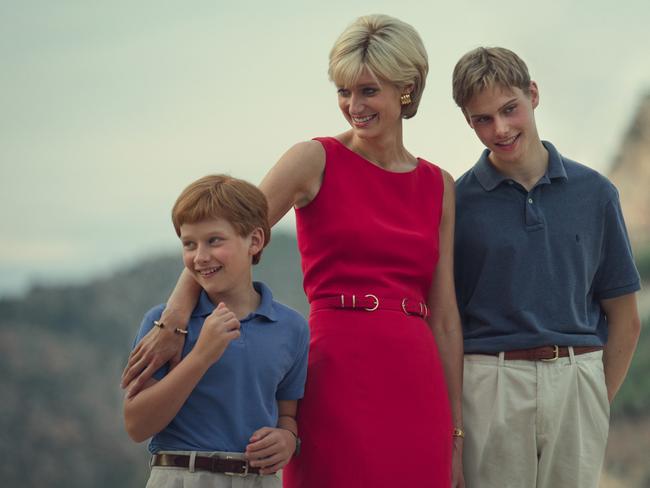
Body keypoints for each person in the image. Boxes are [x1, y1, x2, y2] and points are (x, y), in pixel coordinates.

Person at [123, 14, 464, 487]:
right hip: (338, 370)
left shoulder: (439, 186)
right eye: (344, 91)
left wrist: (455, 433)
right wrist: (175, 319)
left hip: (417, 379)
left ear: (406, 88)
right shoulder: (314, 159)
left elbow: (445, 318)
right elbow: (228, 236)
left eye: (368, 90)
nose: (353, 105)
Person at [452, 47, 641, 488]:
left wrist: (593, 397)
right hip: (489, 384)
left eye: (509, 109)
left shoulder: (596, 193)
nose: (500, 129)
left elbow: (624, 319)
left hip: (578, 379)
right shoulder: (455, 203)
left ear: (533, 94)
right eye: (482, 119)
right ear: (468, 121)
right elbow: (447, 319)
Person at [123, 174, 309, 488]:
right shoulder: (164, 327)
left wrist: (287, 439)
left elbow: (287, 414)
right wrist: (201, 357)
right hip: (181, 477)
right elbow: (137, 425)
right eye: (189, 244)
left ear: (255, 241)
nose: (200, 257)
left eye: (214, 241)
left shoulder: (291, 328)